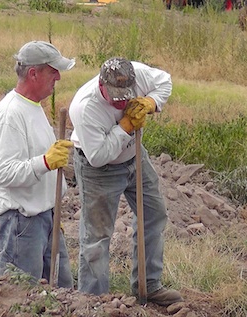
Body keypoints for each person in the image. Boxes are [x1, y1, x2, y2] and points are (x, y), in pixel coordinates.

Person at [68, 57, 184, 306]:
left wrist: (151, 103)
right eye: (116, 96)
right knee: (97, 237)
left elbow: (165, 82)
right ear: (102, 85)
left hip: (134, 158)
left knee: (153, 214)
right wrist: (126, 125)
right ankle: (94, 301)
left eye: (127, 95)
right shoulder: (85, 107)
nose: (122, 100)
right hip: (99, 170)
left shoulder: (139, 74)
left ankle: (148, 285)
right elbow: (98, 156)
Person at [0, 40, 75, 288]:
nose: (58, 76)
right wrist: (45, 162)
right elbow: (2, 174)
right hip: (22, 222)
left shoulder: (33, 107)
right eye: (52, 70)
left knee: (61, 294)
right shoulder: (10, 115)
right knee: (20, 296)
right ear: (33, 73)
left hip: (45, 217)